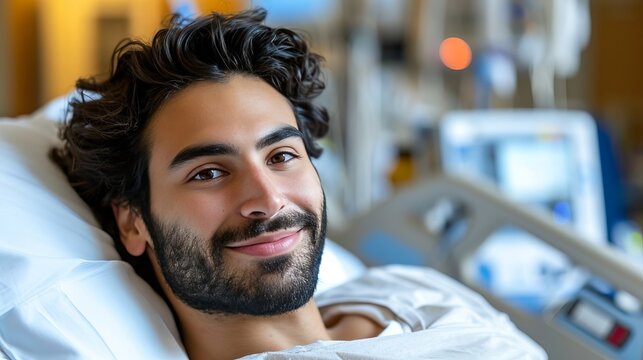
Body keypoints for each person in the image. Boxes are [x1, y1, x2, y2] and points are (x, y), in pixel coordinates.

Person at [54, 8, 546, 360]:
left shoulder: (407, 290)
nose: (268, 199)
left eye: (282, 155)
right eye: (208, 172)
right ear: (133, 220)